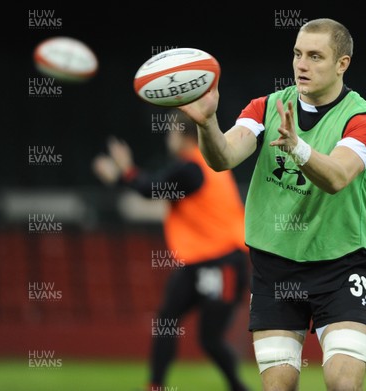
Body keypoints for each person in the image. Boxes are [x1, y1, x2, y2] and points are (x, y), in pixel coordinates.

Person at [179, 17, 366, 391]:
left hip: (339, 268)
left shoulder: (364, 121)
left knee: (343, 385)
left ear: (343, 64)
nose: (301, 65)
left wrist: (297, 147)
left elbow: (337, 177)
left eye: (315, 56)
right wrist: (207, 122)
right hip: (274, 269)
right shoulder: (266, 107)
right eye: (297, 54)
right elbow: (223, 157)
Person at [91, 111, 250, 391]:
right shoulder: (197, 167)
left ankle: (239, 387)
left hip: (222, 261)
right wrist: (122, 177)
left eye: (170, 132)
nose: (168, 138)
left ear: (181, 135)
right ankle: (156, 385)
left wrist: (125, 170)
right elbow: (154, 189)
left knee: (209, 339)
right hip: (199, 262)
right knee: (166, 320)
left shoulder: (193, 167)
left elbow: (150, 189)